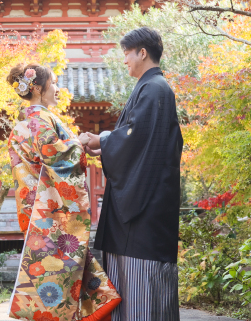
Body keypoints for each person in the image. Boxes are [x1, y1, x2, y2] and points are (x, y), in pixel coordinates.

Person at [80, 27, 184, 321]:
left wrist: (101, 139)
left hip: (142, 215)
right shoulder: (153, 88)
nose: (124, 59)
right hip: (146, 208)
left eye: (127, 53)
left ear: (142, 53)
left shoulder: (153, 88)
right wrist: (106, 146)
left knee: (141, 296)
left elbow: (136, 137)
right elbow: (142, 140)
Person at [5, 63, 121, 321]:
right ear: (37, 88)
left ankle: (88, 310)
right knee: (59, 271)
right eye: (54, 83)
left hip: (38, 208)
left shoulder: (27, 123)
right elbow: (53, 154)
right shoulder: (40, 120)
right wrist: (78, 144)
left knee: (63, 269)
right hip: (50, 212)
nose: (58, 88)